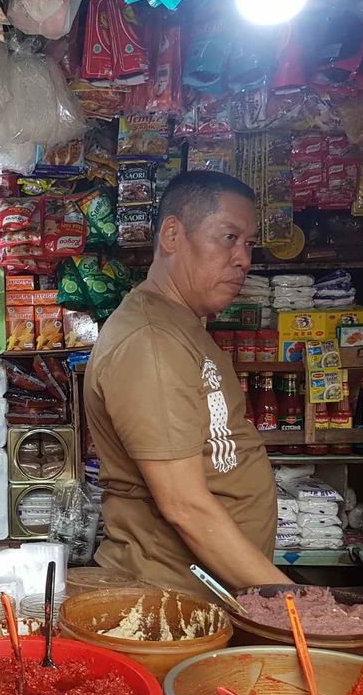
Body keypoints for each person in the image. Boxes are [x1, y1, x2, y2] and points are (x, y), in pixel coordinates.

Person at [84, 171, 288, 593]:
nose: (244, 259)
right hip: (166, 602)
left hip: (205, 596)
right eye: (228, 237)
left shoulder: (182, 326)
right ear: (173, 235)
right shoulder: (151, 341)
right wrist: (295, 605)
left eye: (248, 243)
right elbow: (184, 506)